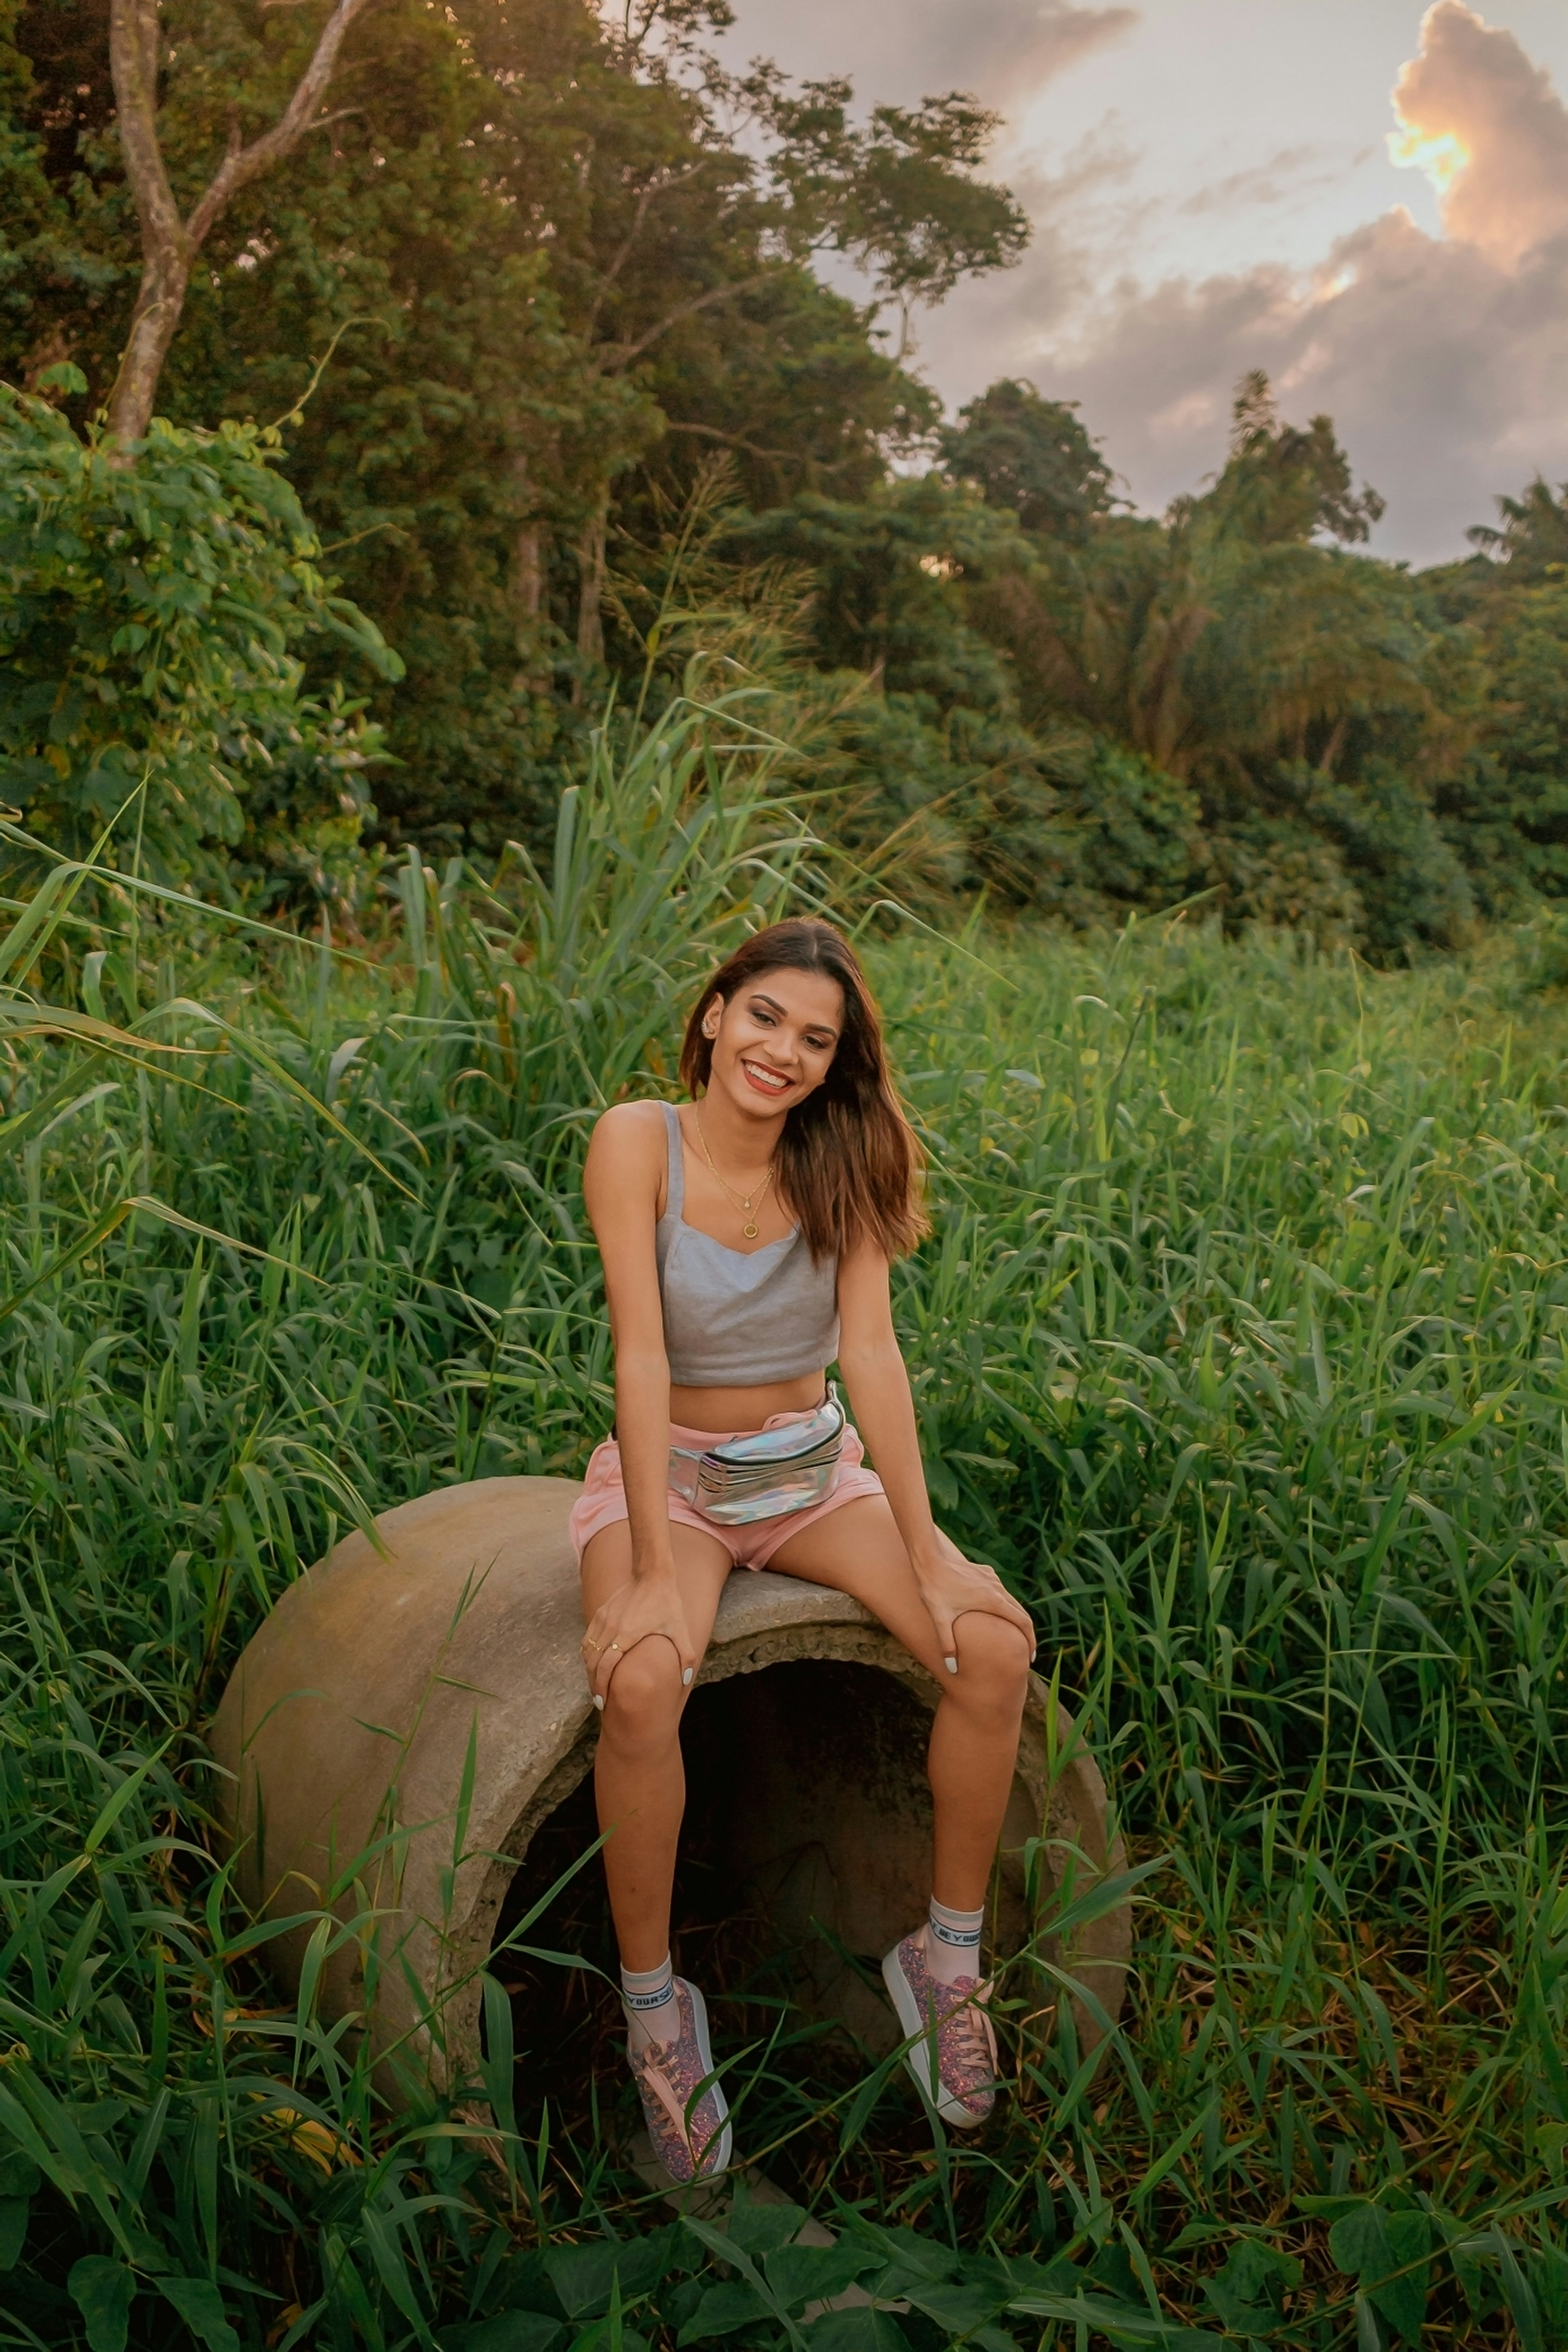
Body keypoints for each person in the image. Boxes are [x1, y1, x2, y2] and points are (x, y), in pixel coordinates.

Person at [572, 917, 1036, 2183]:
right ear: (716, 1013)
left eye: (816, 1038)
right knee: (644, 1680)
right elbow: (641, 1353)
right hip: (670, 1479)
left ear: (837, 1065)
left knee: (991, 1645)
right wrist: (663, 1565)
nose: (782, 1050)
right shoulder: (636, 1141)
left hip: (811, 1474)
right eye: (765, 1015)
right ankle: (658, 2014)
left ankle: (944, 1958)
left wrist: (929, 1548)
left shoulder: (852, 1157)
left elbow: (872, 1354)